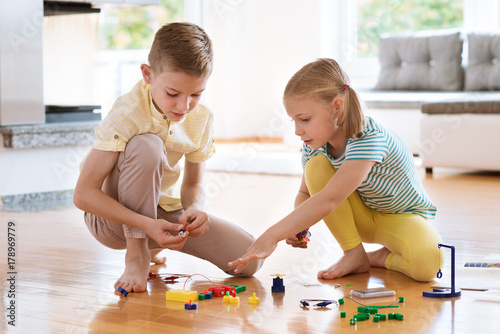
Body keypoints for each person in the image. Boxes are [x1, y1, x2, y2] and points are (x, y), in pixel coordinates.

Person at [74, 22, 263, 294]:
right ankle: (137, 255)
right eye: (173, 94)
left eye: (196, 94)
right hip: (109, 221)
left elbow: (193, 184)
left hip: (159, 213)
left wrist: (194, 208)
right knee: (147, 146)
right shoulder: (128, 112)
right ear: (148, 74)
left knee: (247, 261)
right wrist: (146, 226)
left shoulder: (201, 117)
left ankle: (151, 242)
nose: (184, 106)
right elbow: (83, 195)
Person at [228, 58, 443, 282]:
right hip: (360, 218)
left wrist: (271, 236)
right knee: (317, 167)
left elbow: (330, 199)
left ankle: (375, 258)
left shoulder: (367, 136)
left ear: (336, 107)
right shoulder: (315, 145)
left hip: (402, 217)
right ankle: (353, 253)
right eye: (294, 121)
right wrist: (300, 227)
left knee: (428, 262)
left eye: (304, 119)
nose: (297, 131)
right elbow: (305, 194)